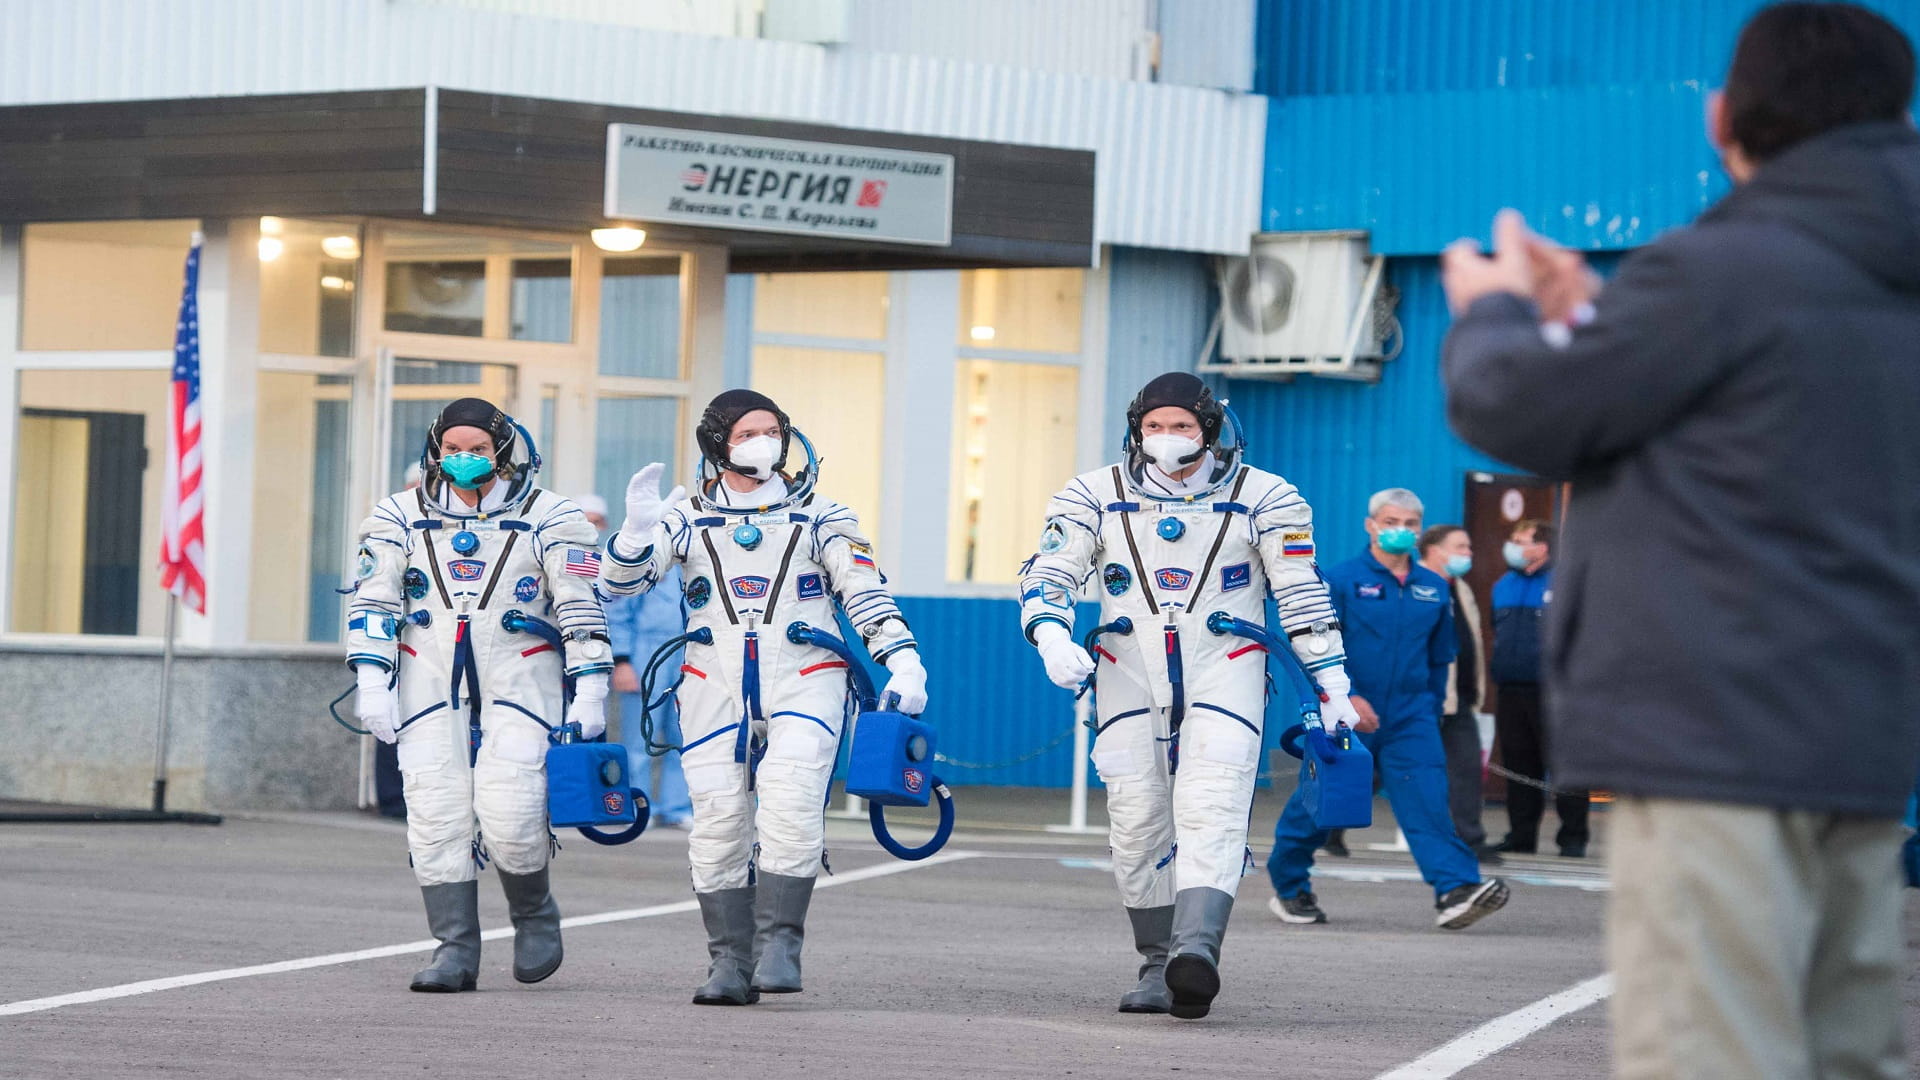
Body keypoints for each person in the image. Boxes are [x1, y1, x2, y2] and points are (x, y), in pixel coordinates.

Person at [1441, 5, 1920, 1075]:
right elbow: (1758, 411)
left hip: (1718, 737)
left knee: (1711, 1054)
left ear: (1725, 116)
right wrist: (1599, 314)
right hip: (1862, 735)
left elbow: (1527, 412)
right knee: (1845, 1052)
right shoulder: (1878, 264)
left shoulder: (1728, 266)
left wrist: (1500, 313)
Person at [1018, 371, 1359, 1021]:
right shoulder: (1094, 494)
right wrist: (1050, 634)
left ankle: (1195, 951)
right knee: (1137, 818)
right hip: (1127, 669)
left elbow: (1301, 593)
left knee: (1213, 800)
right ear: (1134, 430)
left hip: (1225, 664)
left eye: (1180, 426)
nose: (1167, 439)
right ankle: (1156, 961)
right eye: (1154, 427)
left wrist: (1332, 681)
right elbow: (1049, 573)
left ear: (1209, 428)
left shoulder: (1266, 496)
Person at [600, 389, 928, 1006]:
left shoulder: (823, 515)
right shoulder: (685, 517)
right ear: (717, 443)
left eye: (772, 429)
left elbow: (863, 591)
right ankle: (729, 960)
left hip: (807, 674)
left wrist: (902, 659)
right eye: (748, 432)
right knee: (719, 819)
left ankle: (780, 944)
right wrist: (633, 534)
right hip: (710, 683)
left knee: (792, 796)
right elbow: (620, 586)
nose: (764, 442)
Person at [345, 397, 612, 992]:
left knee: (512, 808)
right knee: (435, 810)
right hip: (426, 673)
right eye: (453, 449)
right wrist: (372, 679)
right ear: (436, 452)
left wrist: (591, 686)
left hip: (521, 672)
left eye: (479, 449)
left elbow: (580, 604)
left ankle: (534, 914)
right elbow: (375, 600)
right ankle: (454, 948)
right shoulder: (398, 515)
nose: (464, 459)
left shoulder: (551, 516)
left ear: (504, 452)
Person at [1267, 489, 1509, 931]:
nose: (1401, 530)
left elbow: (1441, 658)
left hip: (1413, 716)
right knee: (1323, 804)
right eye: (1391, 521)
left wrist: (1431, 709)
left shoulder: (1433, 586)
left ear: (1420, 530)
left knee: (1429, 802)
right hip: (1347, 712)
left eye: (1410, 523)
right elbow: (1317, 648)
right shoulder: (1341, 580)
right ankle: (1289, 885)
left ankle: (1455, 889)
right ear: (1371, 524)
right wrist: (1347, 698)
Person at [1486, 519, 1587, 857]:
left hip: (1555, 693)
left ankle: (1572, 838)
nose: (1511, 545)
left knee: (1565, 766)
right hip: (1512, 690)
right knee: (1518, 765)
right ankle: (1521, 836)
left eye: (1520, 540)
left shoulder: (1566, 582)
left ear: (1542, 547)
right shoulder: (1503, 585)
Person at [1417, 523, 1496, 862]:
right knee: (1379, 767)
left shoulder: (1460, 588)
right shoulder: (1413, 584)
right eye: (1461, 547)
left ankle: (1471, 840)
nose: (1469, 554)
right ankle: (1328, 830)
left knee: (1465, 768)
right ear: (1435, 549)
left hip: (1458, 697)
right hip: (1420, 696)